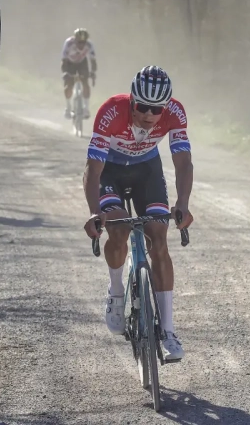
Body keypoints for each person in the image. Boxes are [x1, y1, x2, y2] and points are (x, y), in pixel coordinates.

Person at [82, 65, 194, 361]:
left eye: (156, 109)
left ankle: (168, 331)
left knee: (159, 238)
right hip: (111, 171)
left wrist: (183, 203)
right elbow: (92, 172)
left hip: (147, 170)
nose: (148, 115)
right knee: (118, 229)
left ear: (166, 107)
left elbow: (183, 164)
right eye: (142, 107)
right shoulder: (110, 112)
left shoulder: (176, 113)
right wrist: (95, 213)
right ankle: (117, 292)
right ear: (131, 100)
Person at [61, 28, 97, 119]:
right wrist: (65, 72)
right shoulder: (68, 43)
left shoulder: (89, 44)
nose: (81, 45)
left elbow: (93, 61)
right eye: (79, 42)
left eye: (83, 43)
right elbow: (64, 60)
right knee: (69, 84)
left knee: (85, 83)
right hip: (69, 63)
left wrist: (92, 72)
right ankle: (68, 107)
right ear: (75, 40)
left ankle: (86, 108)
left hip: (82, 63)